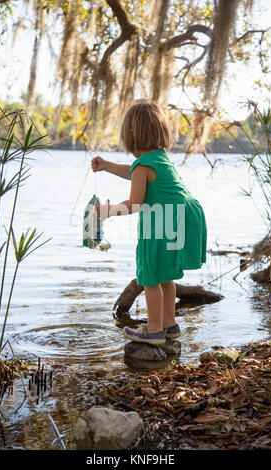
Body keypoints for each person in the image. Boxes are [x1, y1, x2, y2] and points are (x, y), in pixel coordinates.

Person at [91, 100, 207, 346]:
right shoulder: (160, 158)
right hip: (179, 220)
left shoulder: (143, 165)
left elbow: (134, 203)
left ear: (133, 137)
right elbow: (132, 172)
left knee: (151, 278)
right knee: (166, 277)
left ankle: (153, 330)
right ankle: (168, 324)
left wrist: (107, 211)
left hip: (160, 226)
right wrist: (107, 166)